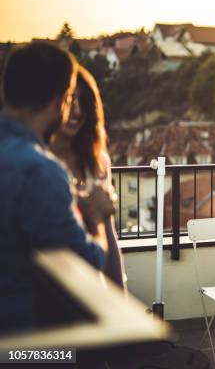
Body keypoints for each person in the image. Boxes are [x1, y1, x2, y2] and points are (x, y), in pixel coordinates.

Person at [0, 43, 115, 333]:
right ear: (61, 101)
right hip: (26, 347)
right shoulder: (39, 171)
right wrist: (96, 219)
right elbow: (86, 264)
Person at [50, 66, 126, 291]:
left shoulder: (98, 162)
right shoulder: (39, 163)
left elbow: (109, 234)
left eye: (84, 103)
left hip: (95, 285)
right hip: (54, 287)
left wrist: (119, 295)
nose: (77, 111)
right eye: (71, 101)